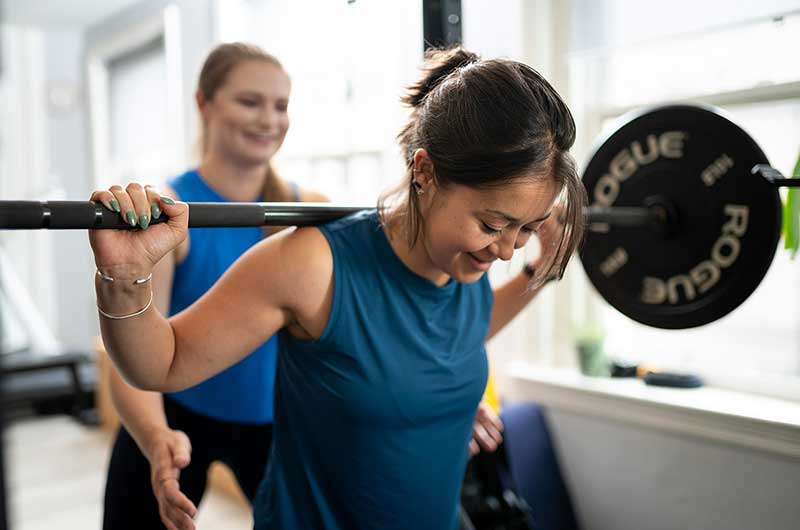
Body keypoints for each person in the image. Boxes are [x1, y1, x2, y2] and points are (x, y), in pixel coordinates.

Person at [89, 46, 586, 530]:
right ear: (425, 171)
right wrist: (126, 281)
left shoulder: (463, 264)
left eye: (527, 228)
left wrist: (535, 274)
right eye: (494, 223)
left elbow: (465, 330)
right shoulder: (312, 263)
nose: (506, 249)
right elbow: (162, 362)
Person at [100, 42, 328, 530]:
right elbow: (131, 353)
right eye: (250, 101)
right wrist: (156, 437)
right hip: (174, 416)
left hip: (274, 424)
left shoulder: (308, 209)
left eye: (280, 105)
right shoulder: (170, 212)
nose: (269, 119)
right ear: (204, 104)